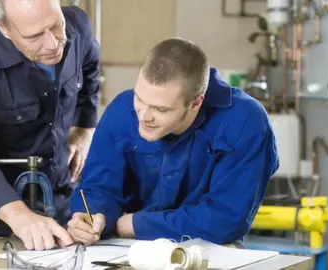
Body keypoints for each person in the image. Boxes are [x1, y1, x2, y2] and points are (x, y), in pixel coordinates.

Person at [67, 37, 279, 246]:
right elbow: (97, 189)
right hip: (127, 250)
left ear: (196, 102)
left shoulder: (245, 122)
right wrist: (92, 217)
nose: (144, 116)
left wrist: (133, 224)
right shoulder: (121, 110)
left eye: (161, 109)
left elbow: (225, 219)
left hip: (210, 250)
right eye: (139, 99)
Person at [0, 0, 100, 251]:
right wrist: (19, 216)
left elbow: (90, 69)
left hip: (58, 203)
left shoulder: (78, 26)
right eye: (34, 36)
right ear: (4, 29)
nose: (52, 43)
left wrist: (84, 129)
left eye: (56, 25)